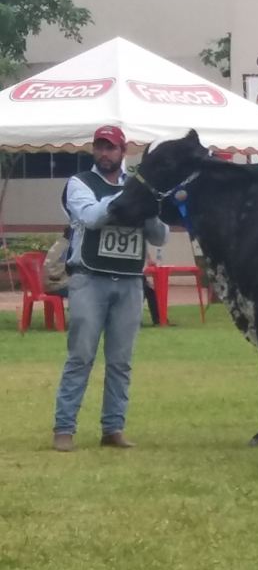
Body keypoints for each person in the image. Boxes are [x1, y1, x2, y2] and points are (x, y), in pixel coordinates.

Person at [52, 125, 169, 452]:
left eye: (111, 148)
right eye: (100, 147)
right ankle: (64, 428)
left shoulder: (138, 187)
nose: (104, 153)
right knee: (81, 356)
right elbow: (89, 217)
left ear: (123, 151)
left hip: (130, 282)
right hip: (89, 278)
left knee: (120, 361)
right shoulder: (80, 184)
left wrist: (148, 208)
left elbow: (160, 237)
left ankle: (113, 428)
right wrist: (130, 197)